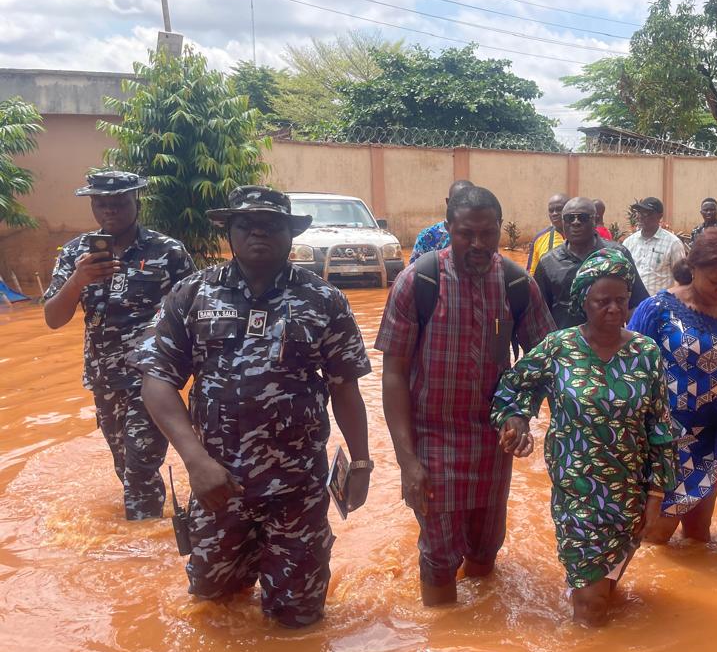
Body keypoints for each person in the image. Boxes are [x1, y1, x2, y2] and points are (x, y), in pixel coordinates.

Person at [134, 186, 372, 628]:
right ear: (229, 231)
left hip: (298, 488)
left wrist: (361, 463)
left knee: (299, 618)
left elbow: (345, 388)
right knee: (214, 605)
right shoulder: (192, 294)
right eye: (247, 225)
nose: (259, 233)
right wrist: (194, 460)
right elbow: (157, 380)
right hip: (217, 483)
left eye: (272, 225)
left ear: (291, 233)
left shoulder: (324, 300)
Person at [377, 185, 554, 607]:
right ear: (448, 228)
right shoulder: (418, 281)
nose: (477, 244)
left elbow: (545, 361)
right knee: (438, 553)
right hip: (432, 437)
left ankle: (480, 645)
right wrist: (407, 461)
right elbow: (393, 376)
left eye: (488, 234)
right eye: (465, 234)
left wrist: (520, 416)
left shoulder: (516, 283)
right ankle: (443, 641)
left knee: (485, 547)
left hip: (493, 443)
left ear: (500, 231)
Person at [492, 248, 676, 627]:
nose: (613, 309)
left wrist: (656, 496)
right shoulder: (559, 348)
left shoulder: (647, 353)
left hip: (630, 493)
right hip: (578, 492)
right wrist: (517, 421)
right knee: (591, 607)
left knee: (608, 592)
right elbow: (513, 387)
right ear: (583, 302)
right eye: (602, 301)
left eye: (621, 301)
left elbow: (660, 427)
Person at [43, 170, 195, 520]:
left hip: (152, 377)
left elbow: (190, 314)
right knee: (124, 464)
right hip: (104, 377)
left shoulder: (168, 251)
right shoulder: (76, 253)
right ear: (93, 205)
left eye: (119, 203)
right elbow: (53, 318)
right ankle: (150, 528)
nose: (109, 210)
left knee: (140, 467)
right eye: (101, 204)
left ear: (135, 202)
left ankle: (141, 549)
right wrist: (78, 279)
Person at [627, 228, 717, 542]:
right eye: (714, 281)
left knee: (698, 535)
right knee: (655, 537)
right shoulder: (658, 309)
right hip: (667, 440)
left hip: (715, 433)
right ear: (693, 268)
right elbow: (630, 371)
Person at [534, 197, 648, 329]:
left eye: (582, 217)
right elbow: (539, 314)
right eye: (569, 218)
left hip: (610, 344)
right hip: (566, 346)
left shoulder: (617, 255)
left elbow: (637, 303)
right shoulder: (548, 263)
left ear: (595, 220)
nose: (576, 223)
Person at [622, 196, 686, 295]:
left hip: (660, 306)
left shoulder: (673, 243)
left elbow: (681, 279)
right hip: (633, 306)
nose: (640, 217)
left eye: (646, 213)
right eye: (639, 212)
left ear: (660, 216)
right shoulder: (628, 242)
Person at [409, 179, 473, 264]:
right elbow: (414, 272)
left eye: (468, 201)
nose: (464, 206)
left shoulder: (483, 236)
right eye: (458, 201)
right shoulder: (427, 237)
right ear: (448, 202)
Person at [526, 193, 568, 275]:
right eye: (551, 210)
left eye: (559, 209)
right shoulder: (539, 239)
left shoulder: (581, 237)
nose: (554, 213)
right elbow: (531, 273)